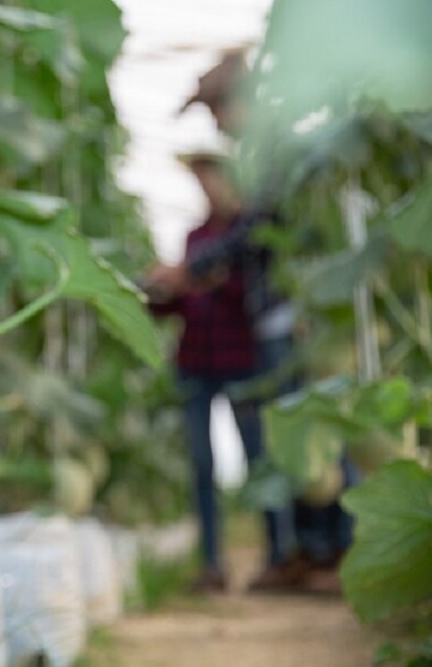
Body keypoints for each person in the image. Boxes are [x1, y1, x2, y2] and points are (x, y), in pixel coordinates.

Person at [150, 49, 352, 594]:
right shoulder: (265, 156)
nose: (217, 125)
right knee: (296, 444)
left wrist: (198, 268)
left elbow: (261, 226)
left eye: (217, 111)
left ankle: (331, 550)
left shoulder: (275, 150)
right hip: (265, 328)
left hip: (293, 319)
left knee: (315, 441)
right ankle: (310, 553)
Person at [146, 153, 290, 593]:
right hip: (195, 364)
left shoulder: (246, 237)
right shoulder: (195, 237)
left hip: (241, 361)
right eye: (200, 182)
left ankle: (278, 558)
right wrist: (162, 290)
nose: (207, 189)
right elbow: (176, 299)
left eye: (211, 179)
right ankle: (212, 565)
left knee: (257, 458)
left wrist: (193, 279)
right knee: (201, 465)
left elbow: (241, 290)